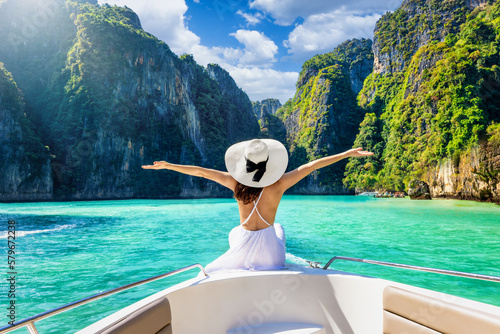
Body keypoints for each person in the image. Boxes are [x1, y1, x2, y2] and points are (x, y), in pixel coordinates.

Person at [142, 139, 373, 274]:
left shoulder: (234, 183)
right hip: (272, 257)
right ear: (269, 163)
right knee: (279, 228)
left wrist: (169, 165)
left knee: (234, 232)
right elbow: (311, 166)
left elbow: (201, 172)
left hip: (243, 246)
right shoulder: (279, 184)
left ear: (244, 164)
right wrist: (347, 154)